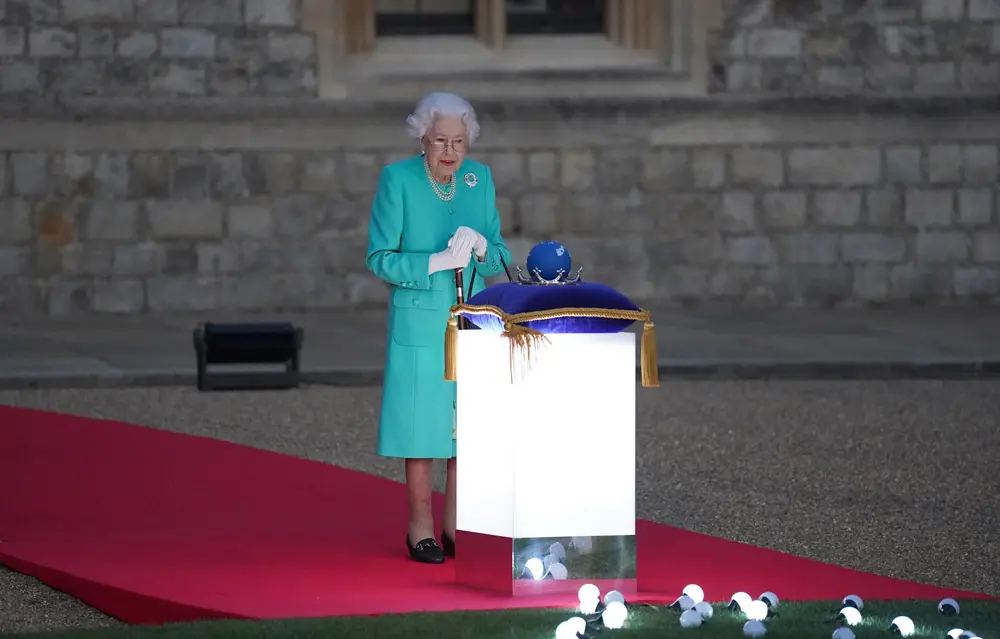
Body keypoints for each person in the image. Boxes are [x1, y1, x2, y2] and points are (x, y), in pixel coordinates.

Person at [365, 92, 513, 564]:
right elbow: (379, 258)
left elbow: (502, 256)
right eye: (440, 141)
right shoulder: (398, 180)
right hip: (420, 323)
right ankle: (420, 527)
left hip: (472, 321)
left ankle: (457, 525)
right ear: (422, 139)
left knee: (463, 426)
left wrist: (482, 249)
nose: (450, 151)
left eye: (459, 142)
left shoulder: (479, 179)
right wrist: (436, 261)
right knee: (421, 425)